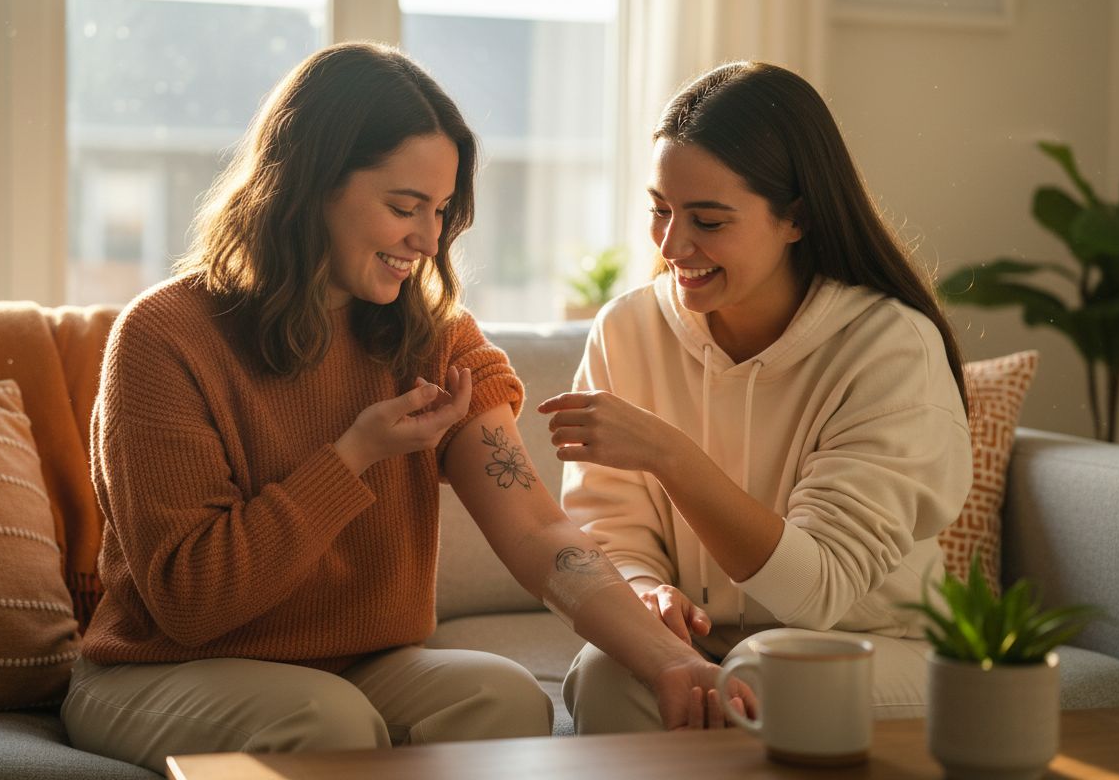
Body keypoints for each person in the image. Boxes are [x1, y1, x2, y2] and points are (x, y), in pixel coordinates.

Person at [61, 43, 751, 773]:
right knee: (326, 722)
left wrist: (672, 661)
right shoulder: (164, 337)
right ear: (311, 184)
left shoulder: (436, 338)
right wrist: (353, 457)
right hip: (160, 670)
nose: (428, 239)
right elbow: (192, 602)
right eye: (404, 207)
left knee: (505, 698)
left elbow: (538, 531)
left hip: (357, 668)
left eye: (442, 210)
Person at [538, 61, 973, 733]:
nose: (673, 245)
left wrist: (668, 454)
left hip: (876, 644)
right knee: (608, 670)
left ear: (795, 217)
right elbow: (607, 528)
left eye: (708, 221)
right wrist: (643, 590)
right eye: (660, 210)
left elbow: (818, 589)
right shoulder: (628, 329)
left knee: (766, 673)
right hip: (709, 640)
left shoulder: (889, 348)